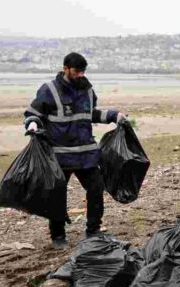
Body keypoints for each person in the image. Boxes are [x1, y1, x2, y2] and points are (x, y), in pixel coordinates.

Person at [23, 52, 126, 249]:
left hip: (86, 155)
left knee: (96, 188)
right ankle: (58, 235)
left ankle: (93, 231)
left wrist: (114, 116)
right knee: (57, 195)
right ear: (65, 69)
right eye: (76, 71)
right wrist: (33, 124)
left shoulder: (87, 90)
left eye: (83, 71)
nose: (80, 75)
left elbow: (91, 114)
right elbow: (33, 114)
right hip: (60, 156)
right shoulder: (49, 90)